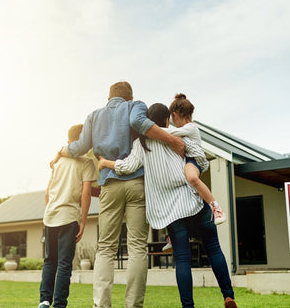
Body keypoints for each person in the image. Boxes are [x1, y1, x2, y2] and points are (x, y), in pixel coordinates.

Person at [51, 81, 185, 308]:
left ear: (109, 97)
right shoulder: (135, 106)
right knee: (137, 247)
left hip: (109, 185)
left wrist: (61, 151)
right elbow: (137, 122)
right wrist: (172, 139)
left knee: (106, 248)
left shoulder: (94, 116)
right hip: (136, 184)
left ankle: (101, 305)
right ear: (130, 97)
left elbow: (80, 147)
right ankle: (133, 305)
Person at [98, 103, 237, 308]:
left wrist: (105, 163)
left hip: (171, 212)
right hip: (193, 201)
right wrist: (193, 166)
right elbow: (201, 158)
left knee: (182, 258)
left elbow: (127, 167)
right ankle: (228, 295)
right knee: (214, 248)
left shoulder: (141, 143)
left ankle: (188, 306)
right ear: (166, 120)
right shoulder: (176, 135)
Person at [39, 124, 98, 308]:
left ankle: (44, 301)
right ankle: (59, 305)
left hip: (50, 216)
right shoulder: (86, 162)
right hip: (69, 217)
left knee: (50, 261)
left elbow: (47, 194)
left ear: (68, 141)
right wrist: (83, 221)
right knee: (65, 264)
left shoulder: (57, 163)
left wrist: (50, 211)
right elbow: (85, 194)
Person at [161, 93, 227, 253]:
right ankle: (171, 235)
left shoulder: (191, 127)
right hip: (188, 162)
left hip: (194, 161)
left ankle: (216, 207)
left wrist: (150, 128)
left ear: (175, 115)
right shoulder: (185, 128)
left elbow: (169, 134)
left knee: (191, 178)